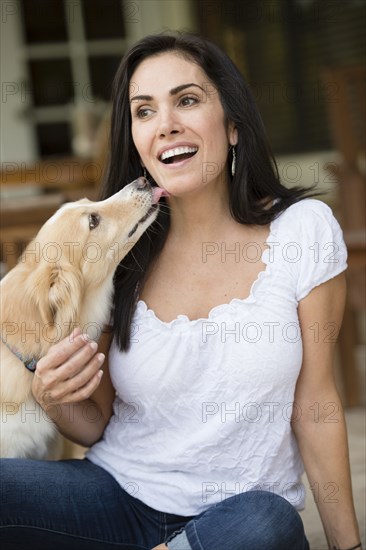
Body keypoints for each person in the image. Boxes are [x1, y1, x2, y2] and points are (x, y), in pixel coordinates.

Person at [0, 32, 362, 550]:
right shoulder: (121, 253)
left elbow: (316, 402)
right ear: (136, 138)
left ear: (233, 125)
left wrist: (348, 546)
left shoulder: (302, 232)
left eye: (187, 100)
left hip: (234, 519)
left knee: (269, 521)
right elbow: (94, 422)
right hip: (115, 497)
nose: (166, 124)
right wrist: (52, 396)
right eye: (144, 111)